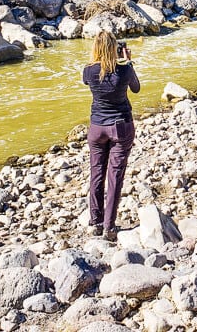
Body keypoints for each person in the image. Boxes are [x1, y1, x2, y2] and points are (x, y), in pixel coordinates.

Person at [82, 31, 140, 241]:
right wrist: (129, 62)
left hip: (97, 127)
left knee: (96, 173)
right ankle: (109, 226)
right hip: (120, 126)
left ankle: (95, 222)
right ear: (115, 48)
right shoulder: (124, 70)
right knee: (115, 176)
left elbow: (89, 82)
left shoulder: (88, 71)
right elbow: (136, 88)